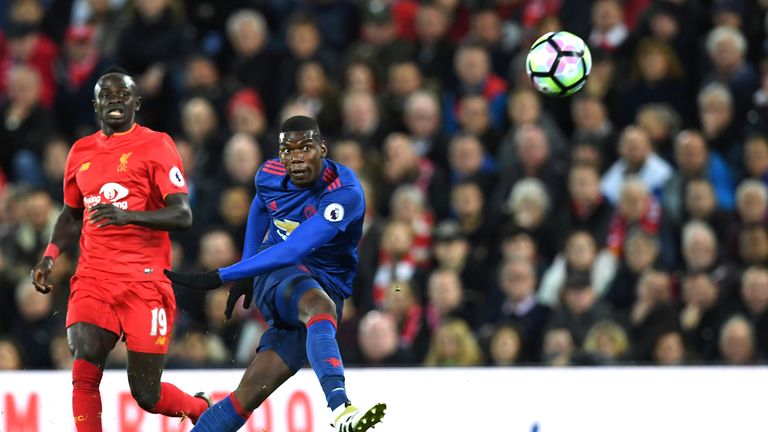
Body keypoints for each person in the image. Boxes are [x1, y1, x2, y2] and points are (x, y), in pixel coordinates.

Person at [165, 116, 386, 431]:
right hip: (279, 275)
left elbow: (296, 247)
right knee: (318, 306)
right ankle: (342, 410)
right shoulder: (269, 174)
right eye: (287, 150)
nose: (295, 157)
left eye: (305, 148)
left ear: (323, 149)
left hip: (322, 284)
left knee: (247, 396)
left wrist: (223, 274)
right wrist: (246, 265)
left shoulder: (344, 193)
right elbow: (261, 206)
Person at [30, 69, 210, 431]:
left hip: (145, 282)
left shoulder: (157, 145)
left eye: (123, 94)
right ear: (95, 104)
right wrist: (50, 256)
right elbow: (70, 215)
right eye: (106, 95)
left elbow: (182, 214)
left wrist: (127, 215)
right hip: (94, 278)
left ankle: (199, 408)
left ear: (136, 104)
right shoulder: (80, 151)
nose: (115, 99)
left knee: (146, 393)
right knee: (84, 363)